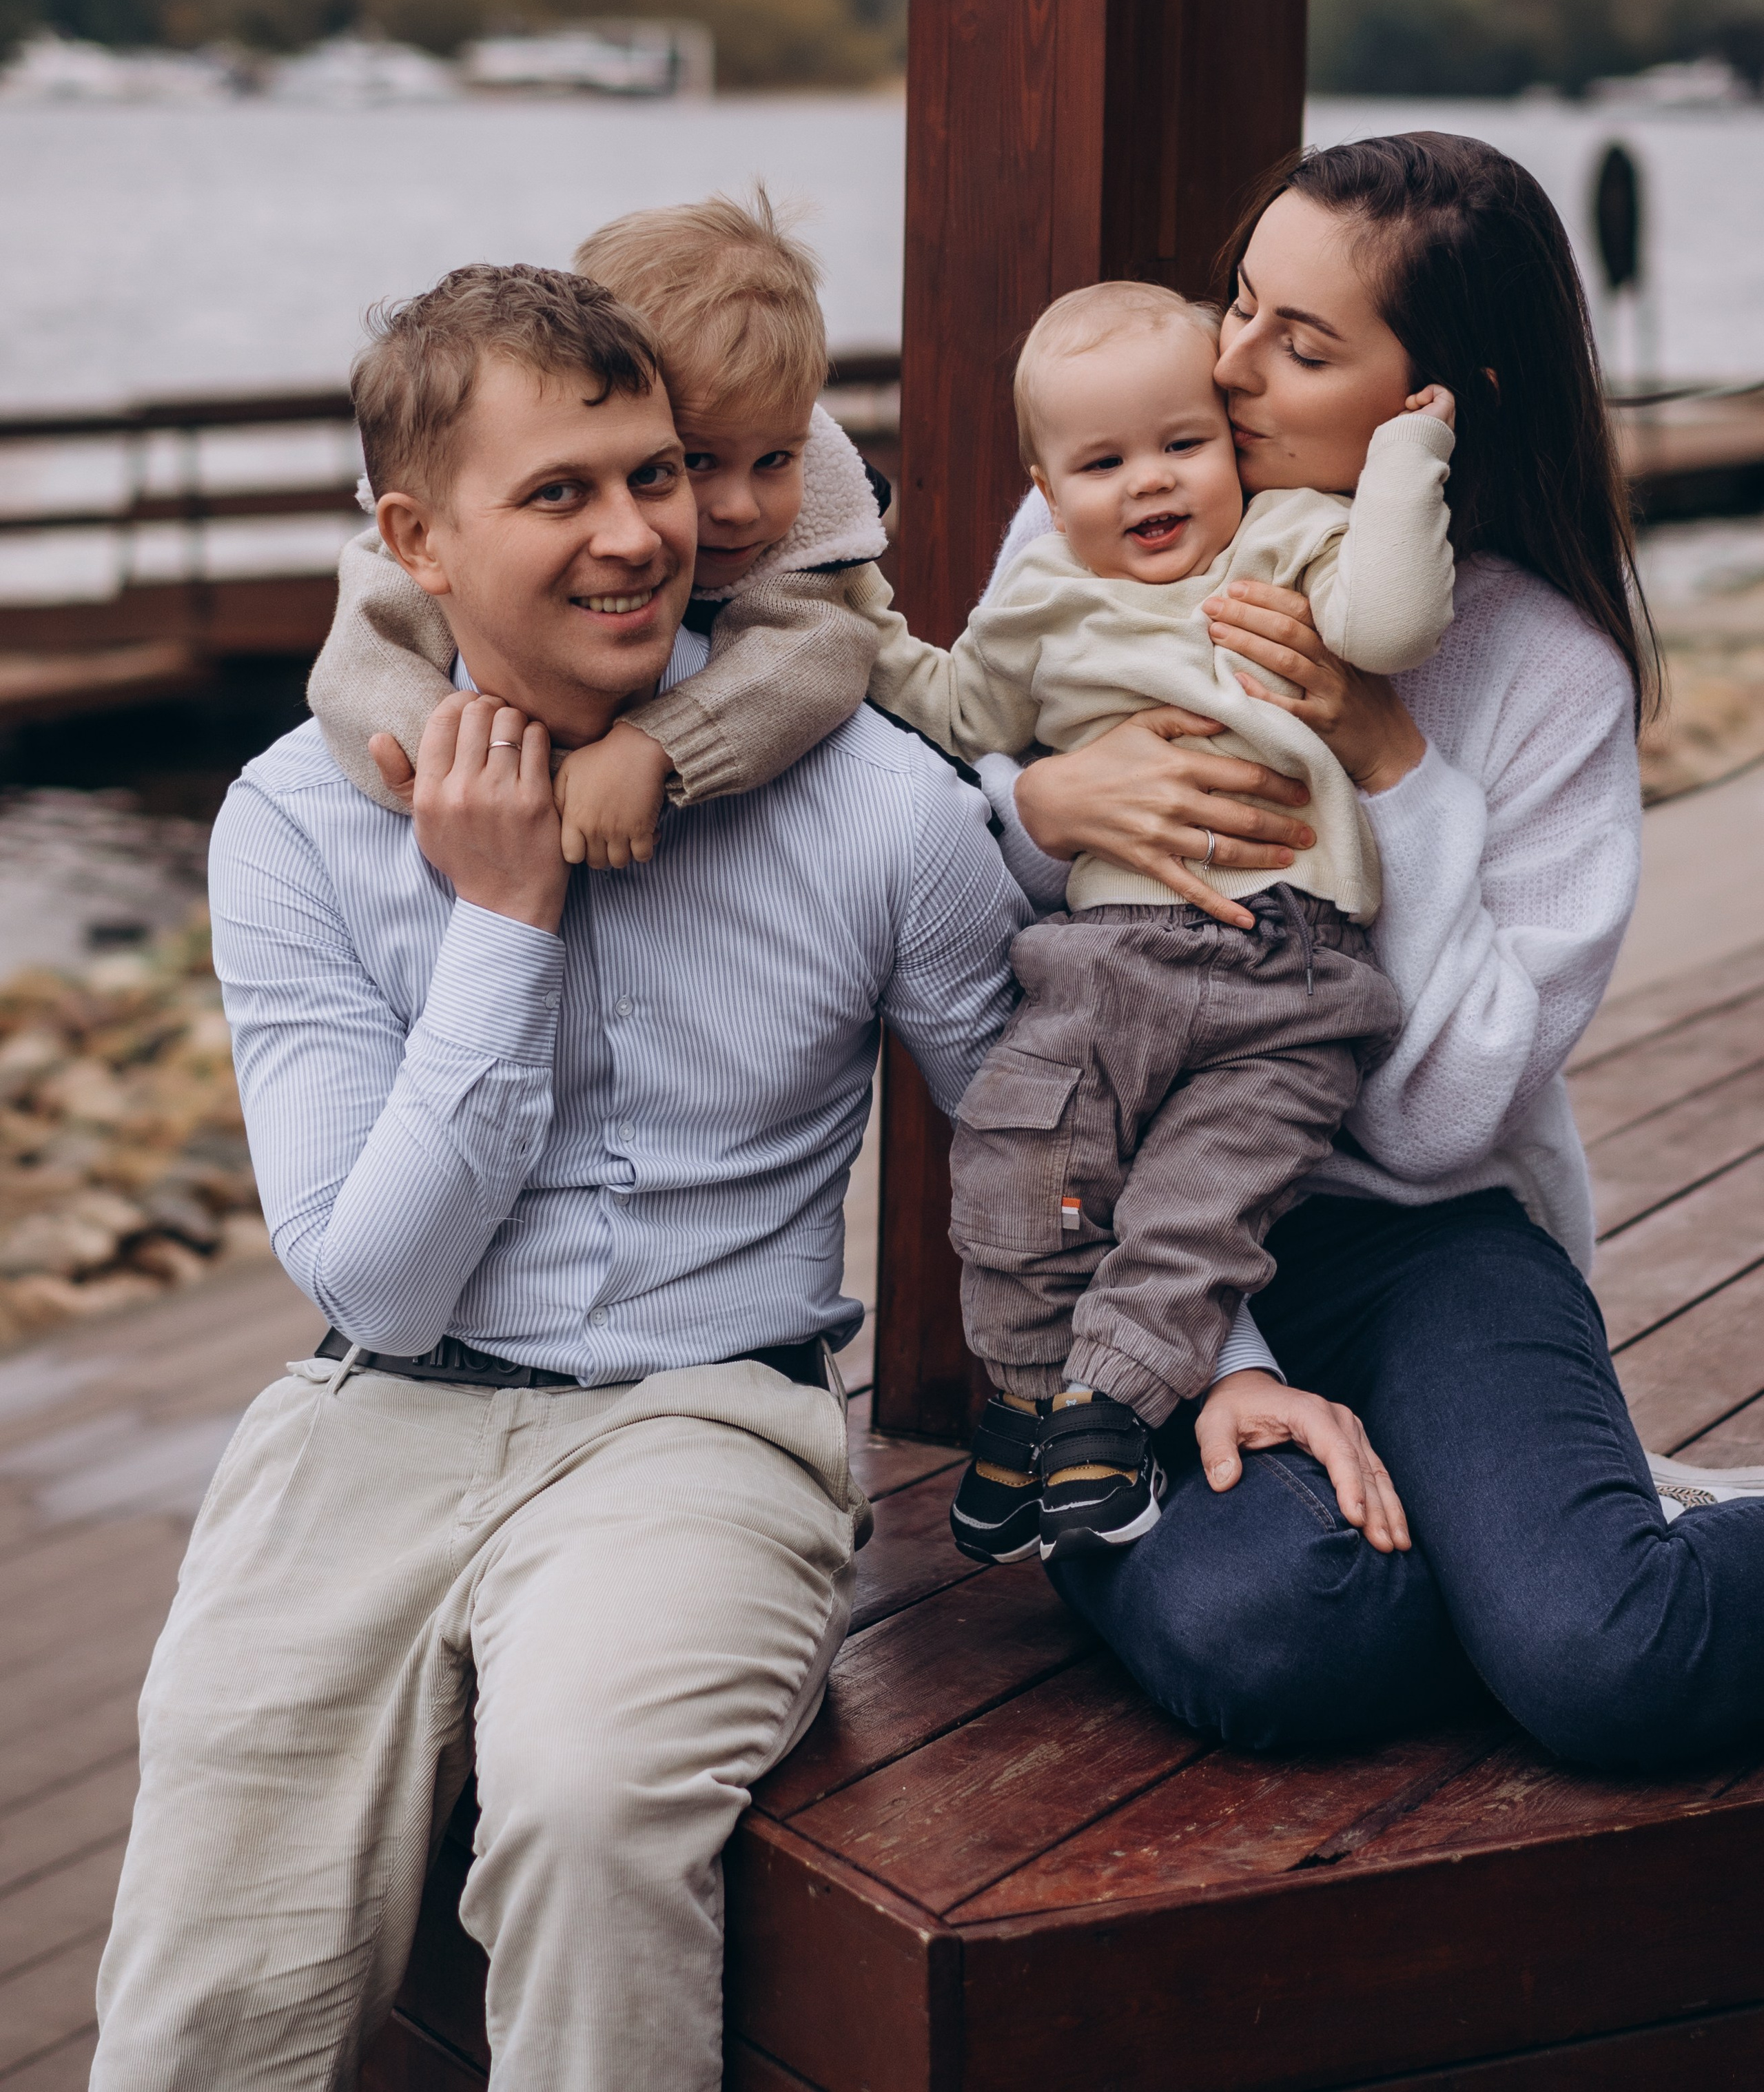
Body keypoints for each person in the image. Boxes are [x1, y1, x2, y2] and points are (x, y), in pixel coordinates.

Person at [90, 262, 1031, 2092]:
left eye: (657, 475)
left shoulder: (881, 812)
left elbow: (1034, 1135)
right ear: (414, 540)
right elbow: (379, 1286)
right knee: (210, 1962)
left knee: (589, 1812)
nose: (639, 537)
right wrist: (507, 919)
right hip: (372, 1421)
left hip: (702, 1424)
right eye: (563, 494)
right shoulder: (293, 821)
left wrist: (1227, 1363)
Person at [987, 131, 1764, 1771]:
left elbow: (1429, 1118)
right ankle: (1503, 1542)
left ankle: (1539, 1559)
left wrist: (1396, 766)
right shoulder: (1098, 509)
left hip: (1424, 1236)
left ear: (1439, 398)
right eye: (1238, 302)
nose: (1227, 361)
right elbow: (951, 927)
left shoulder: (1538, 669)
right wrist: (1036, 800)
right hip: (1123, 1230)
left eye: (1302, 341)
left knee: (1604, 1661)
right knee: (1280, 1627)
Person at [854, 280, 1457, 1563]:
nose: (1150, 484)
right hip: (1100, 968)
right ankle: (1025, 1400)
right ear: (1046, 484)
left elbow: (1397, 618)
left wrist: (1408, 455)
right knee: (1023, 1164)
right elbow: (953, 708)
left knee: (1197, 1210)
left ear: (1233, 447)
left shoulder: (1289, 535)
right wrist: (846, 604)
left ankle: (1111, 1413)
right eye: (1104, 462)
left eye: (1185, 444)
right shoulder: (1039, 603)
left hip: (1287, 970)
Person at [308, 189, 892, 864]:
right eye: (695, 460)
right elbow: (358, 669)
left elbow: (816, 660)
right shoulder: (428, 539)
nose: (739, 508)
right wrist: (471, 772)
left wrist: (656, 745)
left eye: (775, 460)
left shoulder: (805, 553)